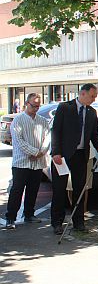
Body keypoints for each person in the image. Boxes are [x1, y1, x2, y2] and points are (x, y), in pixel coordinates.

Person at [50, 83, 98, 235]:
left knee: (79, 189)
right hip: (63, 155)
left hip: (81, 155)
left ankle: (78, 221)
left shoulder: (92, 112)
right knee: (59, 189)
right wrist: (56, 152)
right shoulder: (65, 108)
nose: (94, 99)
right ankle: (57, 222)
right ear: (83, 93)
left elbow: (94, 134)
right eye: (92, 96)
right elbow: (56, 130)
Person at [4, 93, 50, 229]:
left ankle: (29, 214)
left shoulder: (42, 121)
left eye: (38, 106)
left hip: (37, 163)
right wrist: (35, 152)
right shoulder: (18, 120)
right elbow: (19, 142)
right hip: (21, 162)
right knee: (17, 190)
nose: (36, 108)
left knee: (33, 189)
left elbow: (47, 138)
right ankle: (10, 217)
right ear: (26, 104)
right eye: (33, 105)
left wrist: (41, 152)